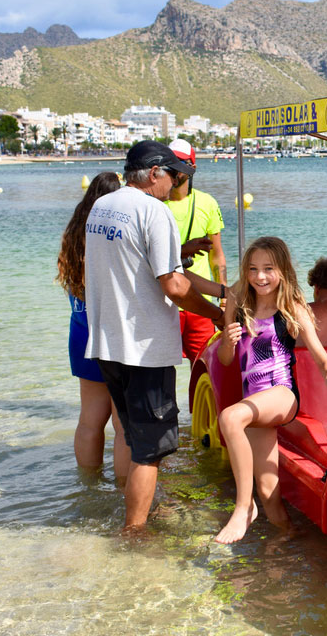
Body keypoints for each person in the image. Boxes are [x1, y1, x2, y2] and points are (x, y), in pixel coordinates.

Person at [84, 140, 225, 534]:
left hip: (107, 344)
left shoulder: (102, 206)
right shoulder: (153, 210)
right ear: (155, 173)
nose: (177, 184)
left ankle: (137, 507)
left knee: (132, 434)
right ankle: (135, 532)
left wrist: (220, 292)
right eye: (175, 176)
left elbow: (139, 265)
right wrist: (217, 314)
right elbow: (175, 285)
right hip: (144, 348)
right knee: (150, 450)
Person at [214, 237, 327, 544]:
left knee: (230, 418)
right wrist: (226, 341)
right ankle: (286, 545)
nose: (260, 276)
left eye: (268, 269)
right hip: (255, 402)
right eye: (252, 269)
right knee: (269, 491)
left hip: (281, 395)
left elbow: (321, 358)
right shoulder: (239, 303)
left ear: (282, 271)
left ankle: (243, 507)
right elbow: (225, 360)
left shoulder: (291, 309)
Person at [56, 171, 131, 481]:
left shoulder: (75, 234)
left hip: (80, 331)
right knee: (122, 420)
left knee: (89, 419)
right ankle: (126, 489)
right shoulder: (109, 230)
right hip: (111, 334)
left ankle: (87, 483)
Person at [165, 138, 227, 362]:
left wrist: (223, 294)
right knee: (161, 368)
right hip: (164, 301)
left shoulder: (206, 202)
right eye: (169, 163)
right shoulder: (154, 203)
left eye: (179, 163)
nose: (173, 169)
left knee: (203, 366)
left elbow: (217, 254)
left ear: (192, 168)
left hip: (198, 301)